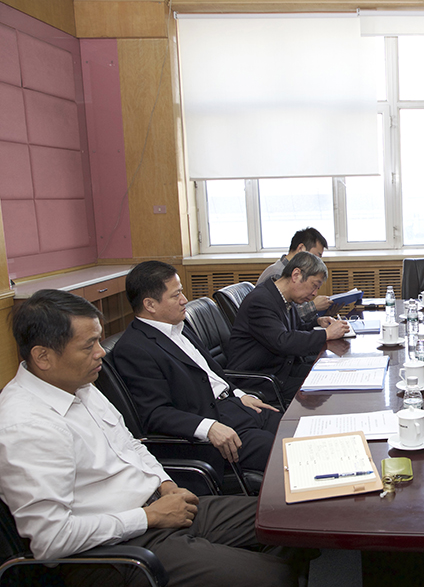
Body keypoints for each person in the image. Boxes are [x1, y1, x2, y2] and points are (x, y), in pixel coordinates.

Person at [0, 289, 300, 586]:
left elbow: (130, 444)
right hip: (115, 550)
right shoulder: (26, 425)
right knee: (275, 577)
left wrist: (165, 484)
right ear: (43, 356)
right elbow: (52, 540)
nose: (101, 352)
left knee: (293, 519)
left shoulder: (80, 386)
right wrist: (149, 517)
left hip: (159, 507)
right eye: (89, 345)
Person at [113, 260, 281, 473]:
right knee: (289, 454)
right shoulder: (134, 349)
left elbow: (212, 372)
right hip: (214, 430)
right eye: (176, 295)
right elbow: (155, 413)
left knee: (302, 431)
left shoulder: (179, 326)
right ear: (150, 305)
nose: (184, 300)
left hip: (237, 406)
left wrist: (239, 394)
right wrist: (209, 427)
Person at [228, 251, 350, 401]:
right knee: (328, 389)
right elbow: (282, 341)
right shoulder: (260, 301)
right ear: (296, 275)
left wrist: (317, 322)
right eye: (314, 286)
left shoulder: (283, 297)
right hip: (262, 379)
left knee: (334, 373)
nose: (314, 293)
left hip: (283, 369)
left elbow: (296, 329)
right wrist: (326, 334)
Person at [257, 226, 334, 324]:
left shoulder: (288, 272)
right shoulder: (277, 274)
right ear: (301, 248)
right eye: (316, 256)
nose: (317, 262)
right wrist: (314, 307)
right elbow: (286, 318)